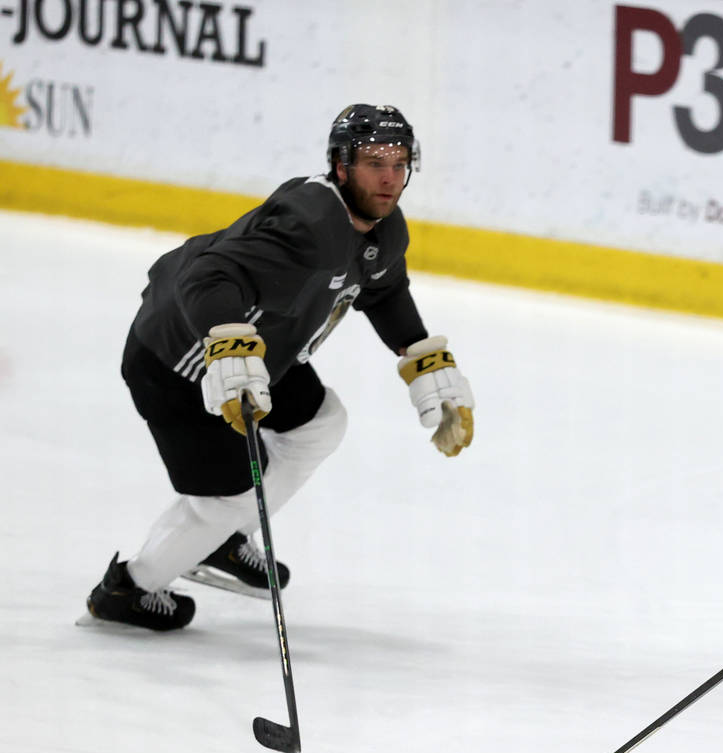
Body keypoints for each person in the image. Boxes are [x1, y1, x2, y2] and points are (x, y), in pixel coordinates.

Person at [86, 104, 475, 631]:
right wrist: (227, 345)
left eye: (400, 162)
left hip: (260, 355)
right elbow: (207, 276)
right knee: (225, 498)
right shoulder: (307, 222)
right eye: (374, 162)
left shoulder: (384, 231)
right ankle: (128, 589)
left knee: (321, 423)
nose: (389, 177)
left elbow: (383, 291)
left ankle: (219, 544)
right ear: (341, 166)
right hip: (177, 363)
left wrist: (424, 360)